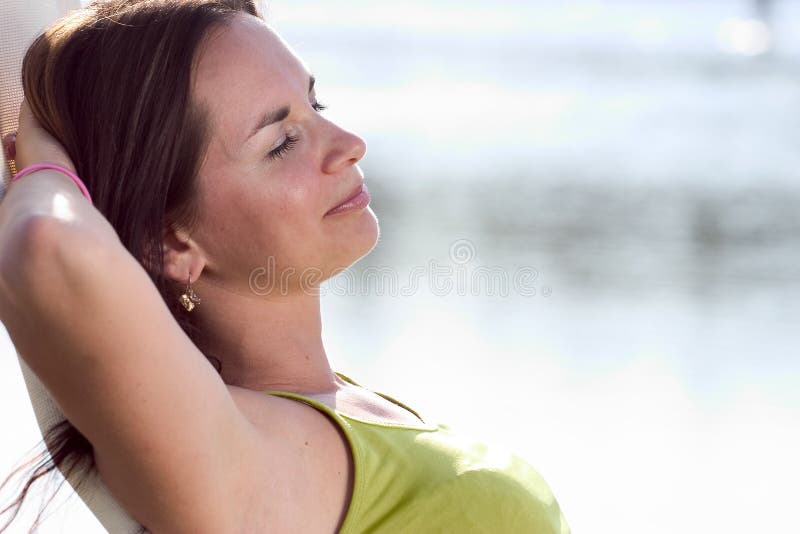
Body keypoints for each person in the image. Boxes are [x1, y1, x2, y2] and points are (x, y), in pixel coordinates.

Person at [0, 1, 570, 532]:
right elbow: (47, 241)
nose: (350, 143)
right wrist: (39, 150)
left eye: (315, 105)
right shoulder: (243, 456)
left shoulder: (312, 416)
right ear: (168, 242)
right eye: (282, 143)